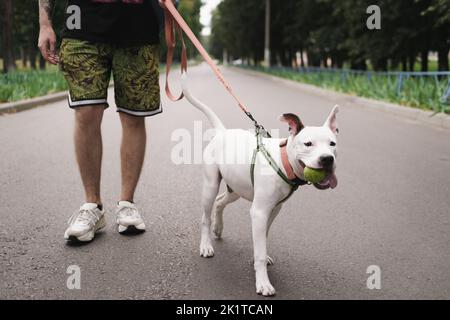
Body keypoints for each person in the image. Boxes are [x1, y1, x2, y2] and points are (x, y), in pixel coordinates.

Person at [38, 0, 162, 242]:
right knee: (86, 112)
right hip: (82, 21)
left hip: (138, 23)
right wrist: (45, 23)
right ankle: (92, 206)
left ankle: (127, 203)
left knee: (133, 116)